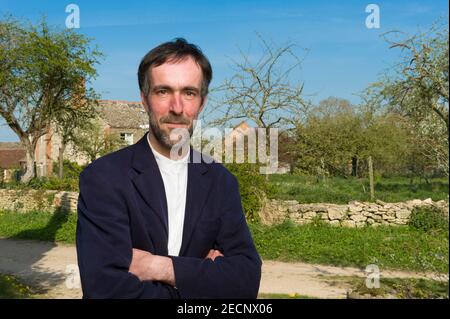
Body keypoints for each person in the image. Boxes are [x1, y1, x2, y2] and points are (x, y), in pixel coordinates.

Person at [76, 38, 262, 299]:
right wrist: (202, 281)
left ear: (202, 102)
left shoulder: (221, 182)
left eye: (189, 92)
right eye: (163, 91)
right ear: (144, 99)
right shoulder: (104, 178)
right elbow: (106, 290)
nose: (177, 108)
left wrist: (159, 267)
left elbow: (245, 283)